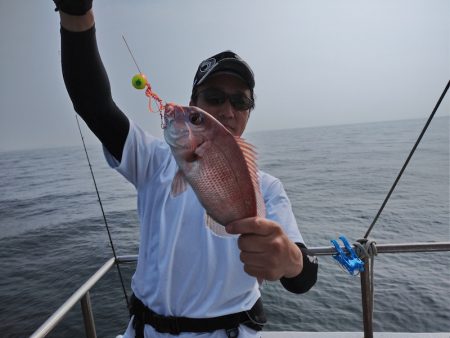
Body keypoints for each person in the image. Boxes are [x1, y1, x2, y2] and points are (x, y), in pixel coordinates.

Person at [53, 1, 318, 337]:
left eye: (240, 101)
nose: (227, 110)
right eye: (214, 97)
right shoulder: (152, 160)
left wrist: (289, 261)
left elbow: (304, 276)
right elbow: (93, 104)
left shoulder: (266, 187)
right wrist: (77, 14)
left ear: (249, 112)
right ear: (194, 104)